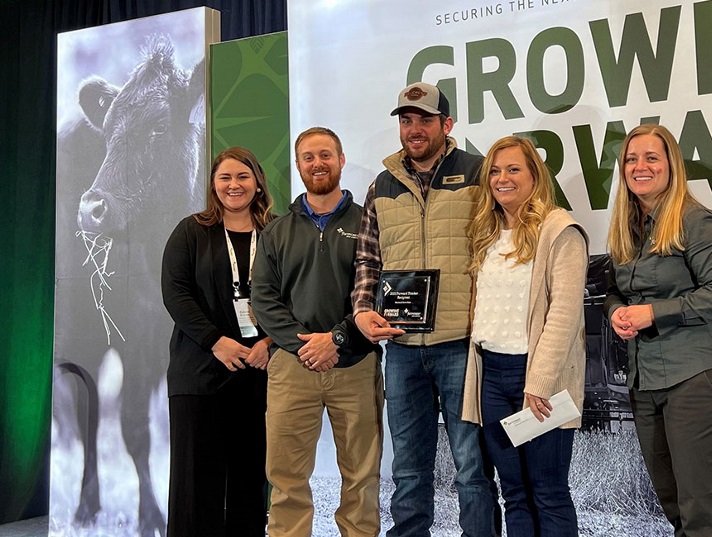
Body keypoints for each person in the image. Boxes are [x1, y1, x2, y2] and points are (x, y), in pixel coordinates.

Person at [352, 82, 497, 537]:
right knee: (410, 469)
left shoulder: (477, 172)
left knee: (472, 467)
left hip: (461, 344)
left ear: (446, 125)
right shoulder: (382, 184)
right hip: (401, 347)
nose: (414, 130)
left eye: (425, 120)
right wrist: (361, 311)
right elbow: (367, 260)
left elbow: (496, 249)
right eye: (406, 120)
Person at [604, 124, 712, 536]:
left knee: (702, 513)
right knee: (675, 508)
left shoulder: (696, 220)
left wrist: (654, 313)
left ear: (671, 167)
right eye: (631, 158)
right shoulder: (628, 227)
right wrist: (616, 313)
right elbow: (614, 290)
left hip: (697, 377)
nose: (639, 166)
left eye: (651, 158)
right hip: (646, 381)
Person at [251, 127, 384, 537]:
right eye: (308, 157)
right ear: (298, 165)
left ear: (341, 160)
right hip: (293, 368)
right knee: (286, 477)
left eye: (326, 155)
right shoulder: (276, 231)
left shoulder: (369, 221)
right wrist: (305, 346)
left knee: (361, 477)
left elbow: (379, 289)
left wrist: (337, 339)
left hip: (356, 364)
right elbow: (263, 299)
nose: (317, 164)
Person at [461, 136, 587, 536]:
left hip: (537, 380)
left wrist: (540, 383)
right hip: (492, 378)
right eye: (495, 171)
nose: (502, 178)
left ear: (535, 175)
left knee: (548, 491)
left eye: (514, 169)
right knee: (513, 492)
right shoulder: (487, 232)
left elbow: (565, 315)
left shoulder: (559, 230)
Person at [161, 146, 275, 537]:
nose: (234, 185)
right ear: (213, 185)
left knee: (250, 485)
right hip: (199, 375)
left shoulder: (276, 232)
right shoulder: (191, 230)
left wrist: (270, 343)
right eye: (225, 177)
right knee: (195, 488)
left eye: (243, 176)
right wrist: (215, 341)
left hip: (260, 375)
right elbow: (175, 293)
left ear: (258, 183)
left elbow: (293, 295)